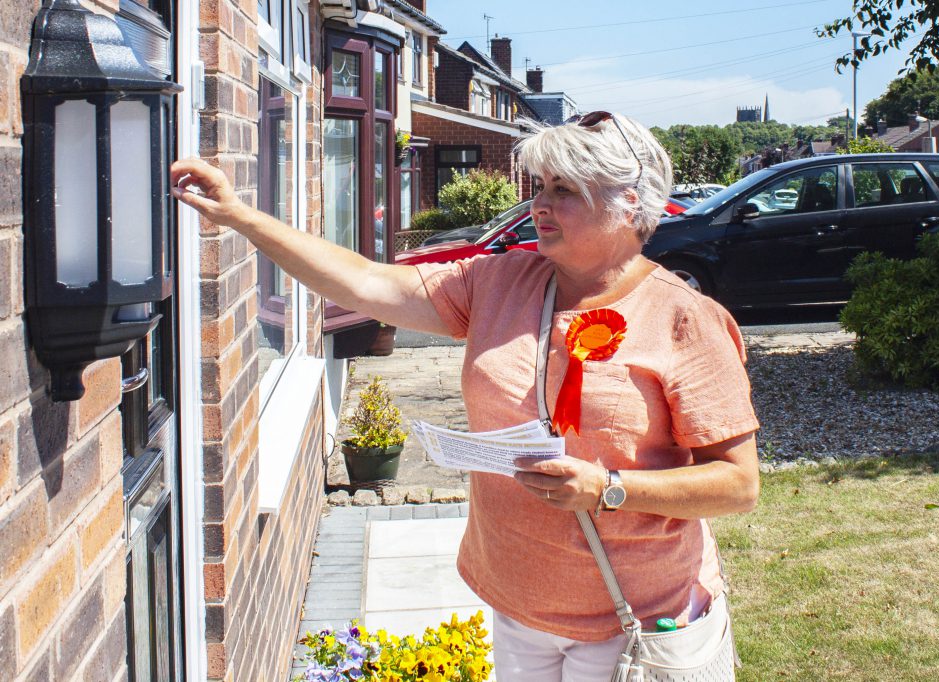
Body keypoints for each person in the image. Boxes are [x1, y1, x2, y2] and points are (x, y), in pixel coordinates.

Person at [171, 111, 759, 682]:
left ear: (630, 201)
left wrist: (608, 488)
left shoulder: (685, 319)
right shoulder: (497, 282)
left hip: (630, 616)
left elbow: (737, 485)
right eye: (541, 185)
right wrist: (241, 216)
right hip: (516, 598)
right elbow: (366, 281)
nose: (541, 204)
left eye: (566, 189)